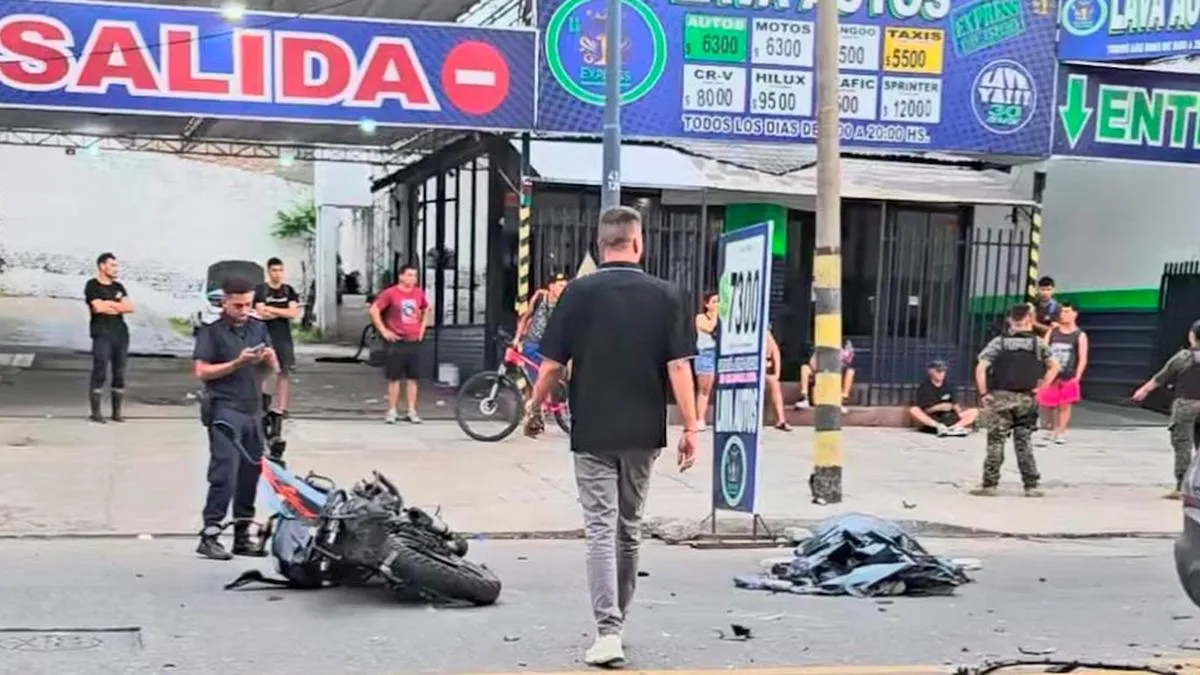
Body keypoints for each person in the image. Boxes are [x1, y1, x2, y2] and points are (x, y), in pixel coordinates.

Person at [522, 205, 698, 668]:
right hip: (644, 431)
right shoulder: (668, 296)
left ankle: (608, 631)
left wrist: (533, 408)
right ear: (638, 243)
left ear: (600, 247)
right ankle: (618, 622)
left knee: (600, 527)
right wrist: (692, 427)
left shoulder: (577, 294)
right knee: (629, 527)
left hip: (593, 429)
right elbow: (680, 368)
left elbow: (551, 366)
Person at [192, 277, 278, 560]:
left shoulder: (258, 328)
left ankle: (242, 536)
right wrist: (236, 363)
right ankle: (210, 534)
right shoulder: (212, 332)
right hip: (224, 407)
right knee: (224, 472)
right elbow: (202, 371)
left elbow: (270, 371)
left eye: (248, 305)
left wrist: (268, 361)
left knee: (249, 474)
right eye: (237, 305)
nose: (243, 310)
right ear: (224, 303)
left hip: (253, 408)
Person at [970, 304, 1060, 498]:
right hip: (1027, 398)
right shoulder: (1037, 343)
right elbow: (1055, 366)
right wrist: (1042, 387)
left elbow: (980, 367)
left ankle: (989, 484)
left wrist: (984, 393)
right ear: (1029, 319)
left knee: (995, 442)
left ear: (1010, 320)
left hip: (1000, 397)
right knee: (1024, 442)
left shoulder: (999, 342)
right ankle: (1031, 485)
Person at [1132, 319, 1200, 498]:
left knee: (1183, 445)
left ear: (1192, 336)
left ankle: (1182, 487)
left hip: (1186, 404)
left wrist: (1143, 391)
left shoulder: (1184, 357)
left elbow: (1162, 376)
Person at [368, 264, 431, 424]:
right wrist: (384, 331)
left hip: (413, 340)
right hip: (397, 341)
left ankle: (411, 410)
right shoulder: (391, 293)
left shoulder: (418, 293)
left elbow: (426, 308)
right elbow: (374, 309)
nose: (412, 279)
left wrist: (422, 328)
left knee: (413, 378)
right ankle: (392, 410)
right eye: (409, 275)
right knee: (394, 377)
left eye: (414, 275)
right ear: (401, 276)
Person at [84, 252, 135, 423]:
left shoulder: (118, 287)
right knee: (100, 370)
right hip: (101, 333)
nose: (116, 269)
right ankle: (96, 412)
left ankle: (116, 412)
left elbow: (129, 307)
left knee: (119, 371)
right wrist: (116, 305)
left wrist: (110, 304)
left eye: (116, 265)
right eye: (112, 265)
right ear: (102, 266)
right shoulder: (92, 286)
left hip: (120, 333)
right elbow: (98, 308)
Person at [1036, 302, 1088, 445]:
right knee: (1048, 403)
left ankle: (1060, 432)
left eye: (1067, 311)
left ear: (1074, 314)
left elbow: (1082, 358)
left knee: (1065, 405)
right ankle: (1050, 429)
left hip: (1068, 374)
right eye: (1061, 312)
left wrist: (1077, 376)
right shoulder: (1052, 332)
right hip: (1051, 374)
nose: (1063, 315)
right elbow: (1043, 350)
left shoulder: (1079, 335)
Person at [253, 257, 300, 415]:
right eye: (274, 270)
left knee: (283, 372)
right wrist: (281, 312)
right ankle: (260, 405)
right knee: (262, 371)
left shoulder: (288, 290)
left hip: (283, 337)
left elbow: (293, 313)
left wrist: (271, 309)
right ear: (268, 271)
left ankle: (282, 408)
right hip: (264, 335)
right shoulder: (261, 290)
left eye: (280, 270)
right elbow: (261, 312)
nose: (277, 274)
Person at [909, 360, 979, 436]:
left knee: (974, 411)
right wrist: (939, 407)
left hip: (950, 417)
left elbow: (956, 405)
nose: (941, 374)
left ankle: (953, 428)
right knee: (913, 410)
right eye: (938, 371)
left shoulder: (949, 385)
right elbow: (925, 411)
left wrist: (956, 409)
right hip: (933, 420)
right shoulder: (924, 387)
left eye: (943, 371)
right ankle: (940, 427)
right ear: (930, 371)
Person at [514, 272, 569, 367]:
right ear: (551, 287)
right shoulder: (540, 298)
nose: (563, 290)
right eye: (560, 286)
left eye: (565, 287)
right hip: (531, 344)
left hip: (549, 349)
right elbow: (525, 317)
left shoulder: (565, 304)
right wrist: (517, 338)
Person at [795, 339, 855, 413]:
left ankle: (840, 402)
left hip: (836, 372)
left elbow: (848, 361)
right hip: (820, 372)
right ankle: (804, 398)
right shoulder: (821, 342)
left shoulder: (845, 344)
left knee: (850, 372)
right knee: (804, 368)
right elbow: (812, 363)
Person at [694, 291, 718, 431]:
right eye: (714, 302)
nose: (717, 305)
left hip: (719, 353)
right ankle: (700, 418)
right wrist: (715, 314)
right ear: (707, 304)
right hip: (705, 353)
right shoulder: (700, 318)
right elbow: (709, 328)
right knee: (704, 388)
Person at [765, 328, 791, 431]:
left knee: (773, 382)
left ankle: (780, 420)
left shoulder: (766, 334)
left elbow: (775, 352)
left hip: (764, 370)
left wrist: (777, 373)